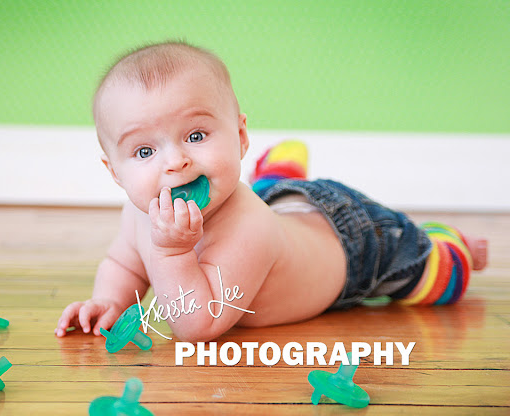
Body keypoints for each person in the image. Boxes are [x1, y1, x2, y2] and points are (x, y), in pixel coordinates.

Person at [55, 42, 487, 343]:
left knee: (433, 279)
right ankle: (278, 176)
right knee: (265, 194)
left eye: (196, 135)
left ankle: (454, 248)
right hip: (286, 211)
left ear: (240, 135)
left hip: (356, 245)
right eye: (145, 151)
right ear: (115, 172)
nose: (175, 162)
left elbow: (198, 324)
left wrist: (172, 253)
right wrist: (108, 301)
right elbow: (124, 263)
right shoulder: (139, 211)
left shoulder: (247, 228)